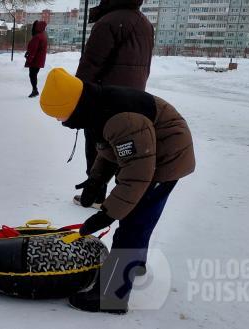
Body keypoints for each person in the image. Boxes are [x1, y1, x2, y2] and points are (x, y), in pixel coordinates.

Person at [39, 68, 195, 314]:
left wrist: (107, 213)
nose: (60, 122)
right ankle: (134, 264)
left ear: (72, 107)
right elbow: (112, 148)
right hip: (150, 153)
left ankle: (111, 296)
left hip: (165, 158)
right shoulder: (96, 105)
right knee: (139, 219)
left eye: (60, 115)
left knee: (133, 225)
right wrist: (96, 180)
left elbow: (137, 173)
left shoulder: (120, 118)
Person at [75, 0, 155, 208]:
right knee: (123, 147)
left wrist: (79, 96)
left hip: (104, 99)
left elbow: (91, 64)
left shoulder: (109, 22)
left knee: (97, 146)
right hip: (134, 99)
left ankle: (96, 194)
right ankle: (122, 198)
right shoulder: (145, 23)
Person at [24, 20, 48, 98]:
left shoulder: (37, 37)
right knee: (34, 75)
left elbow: (33, 50)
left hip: (35, 60)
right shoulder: (43, 35)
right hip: (39, 59)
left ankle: (35, 90)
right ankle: (35, 90)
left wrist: (29, 59)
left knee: (32, 75)